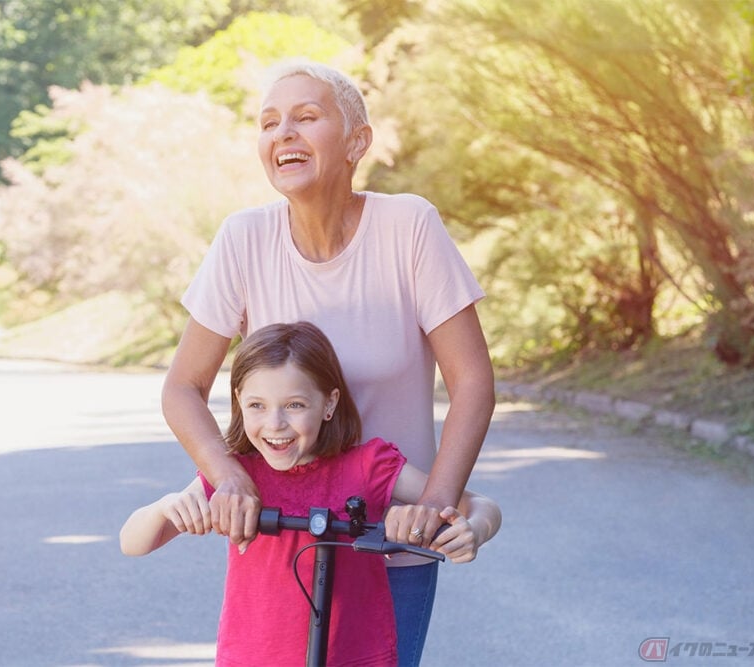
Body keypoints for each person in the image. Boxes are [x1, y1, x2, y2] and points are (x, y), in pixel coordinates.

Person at [161, 58, 496, 664]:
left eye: (306, 117)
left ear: (356, 142)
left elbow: (472, 381)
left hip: (388, 538)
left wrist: (434, 508)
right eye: (268, 123)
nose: (282, 133)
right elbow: (182, 386)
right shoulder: (243, 239)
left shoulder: (408, 226)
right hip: (284, 535)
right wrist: (231, 476)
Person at [123, 322, 501, 666]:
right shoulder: (237, 474)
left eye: (295, 405)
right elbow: (133, 542)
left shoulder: (368, 466)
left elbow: (480, 505)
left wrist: (472, 530)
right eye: (257, 405)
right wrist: (167, 507)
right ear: (239, 400)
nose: (275, 424)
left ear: (329, 403)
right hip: (252, 658)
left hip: (358, 657)